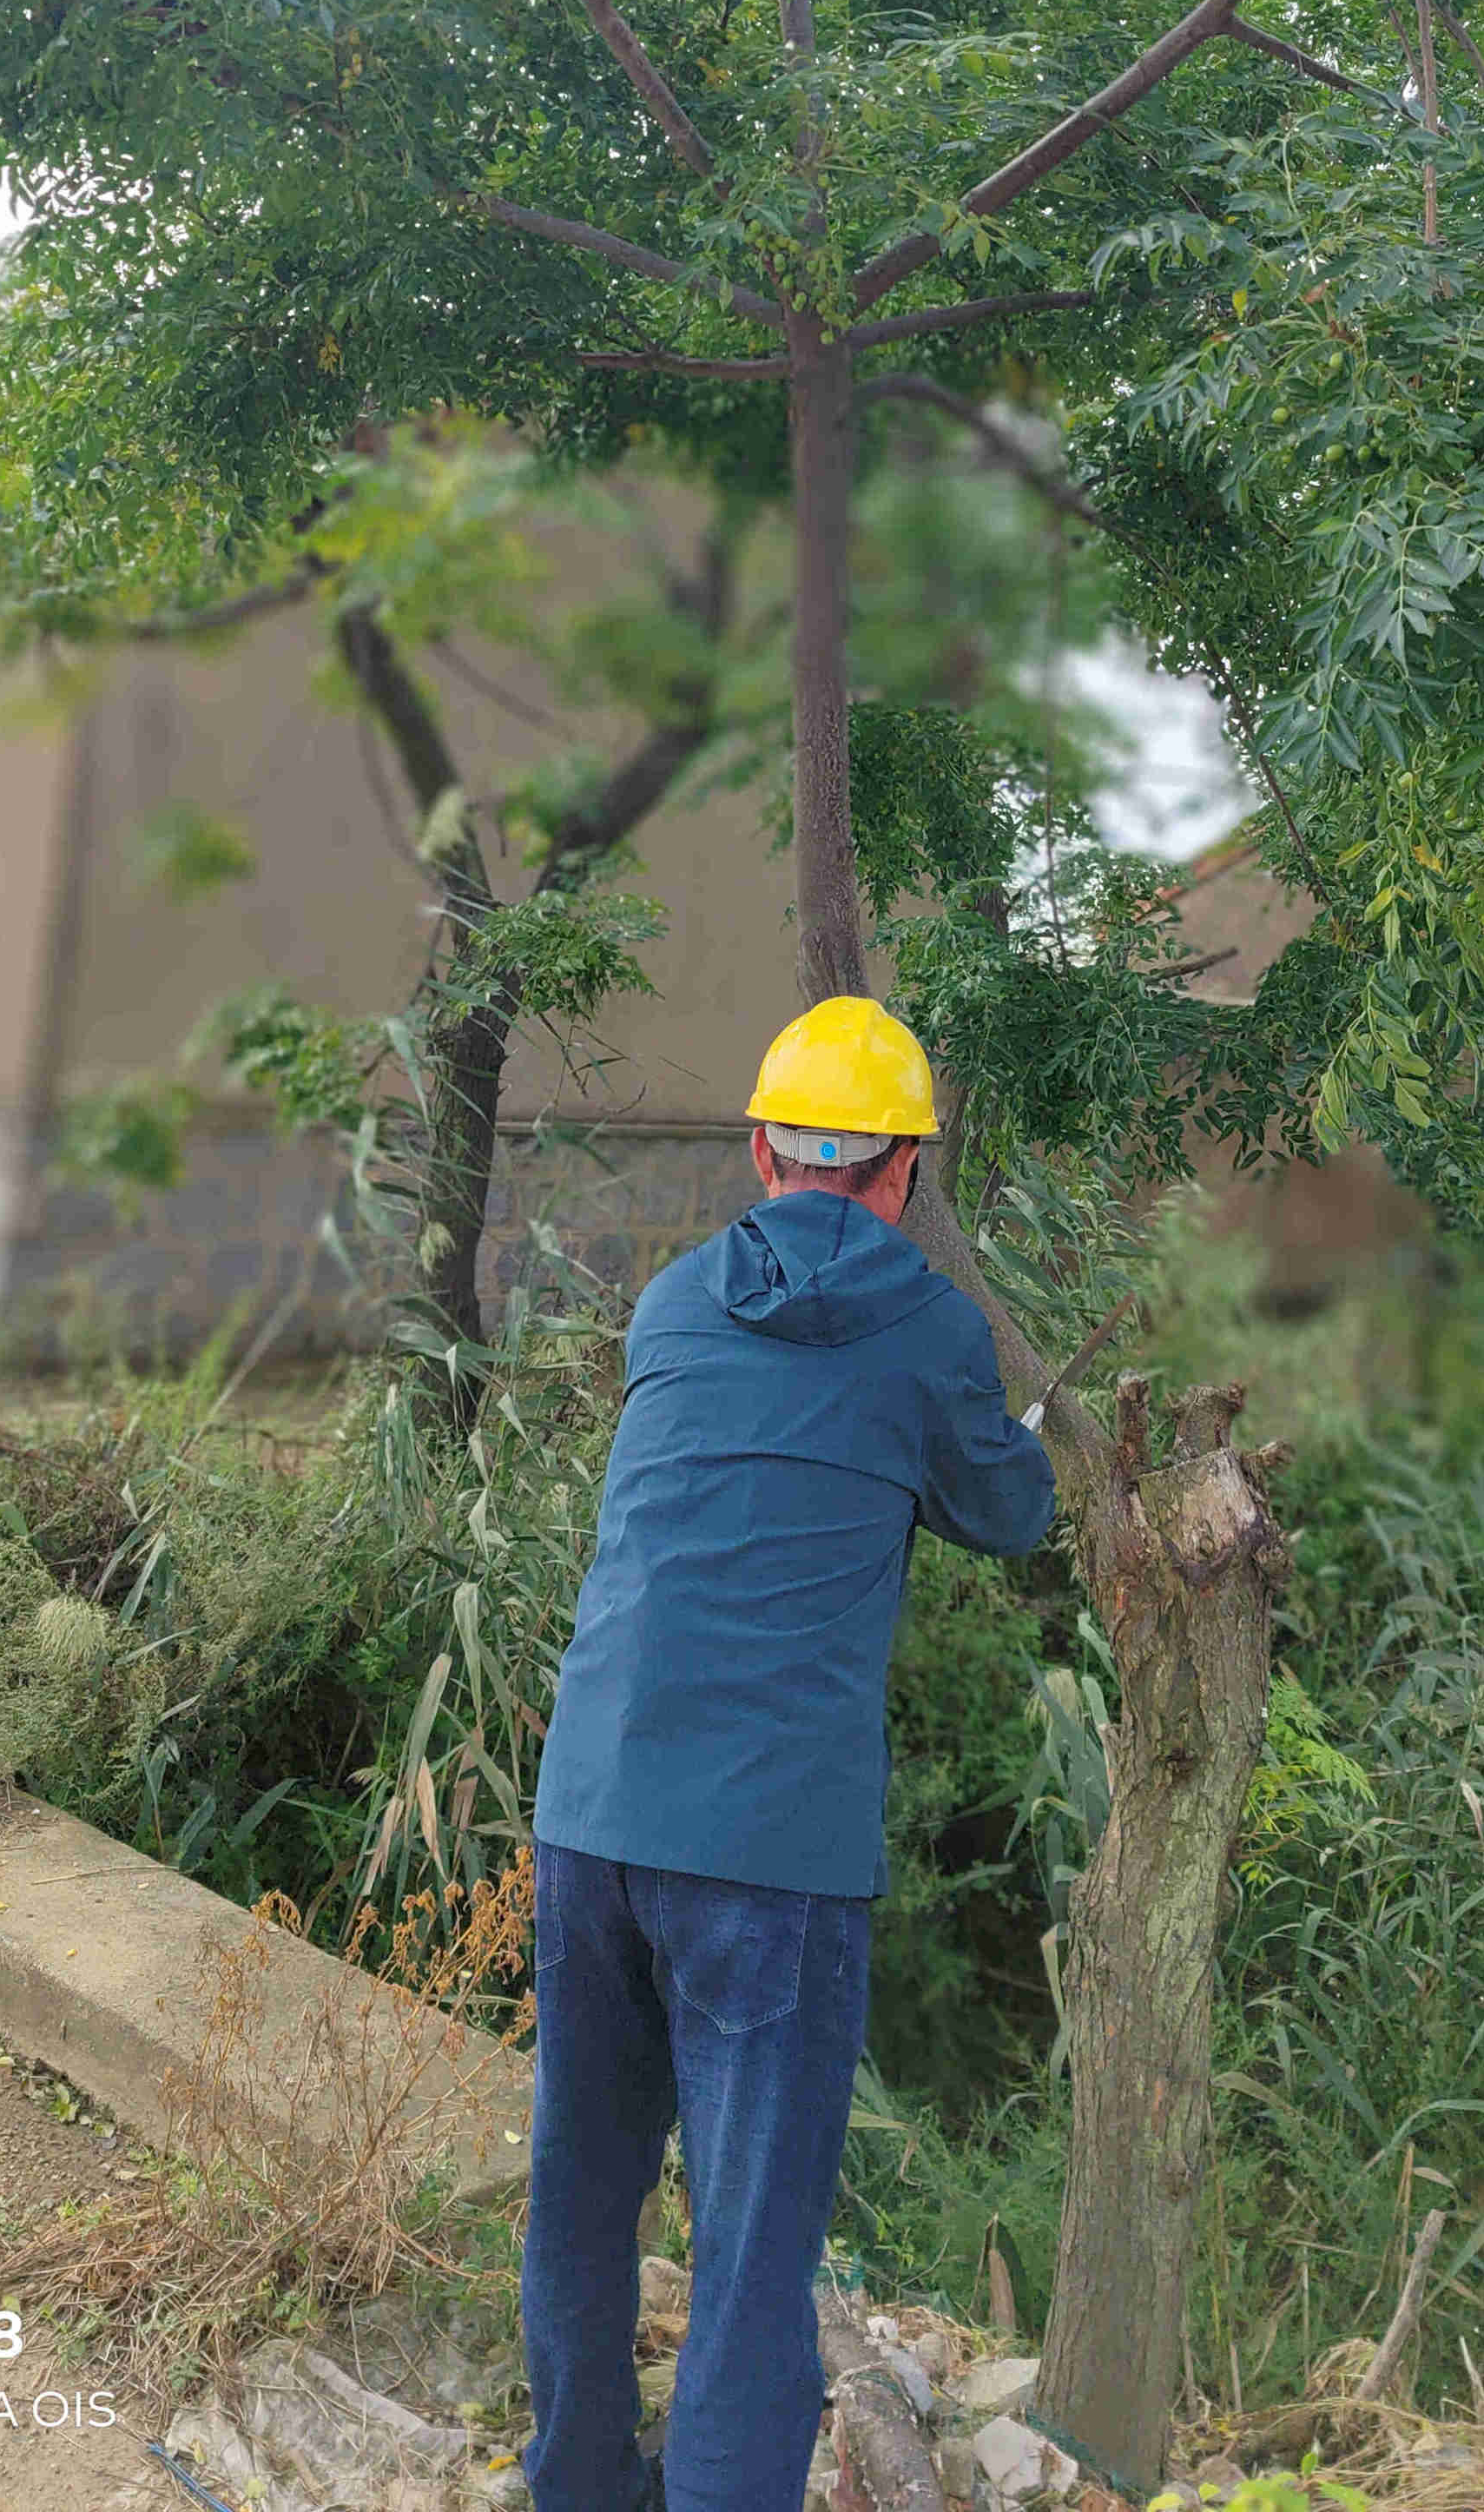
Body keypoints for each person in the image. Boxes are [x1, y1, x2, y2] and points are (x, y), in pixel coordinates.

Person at [521, 996, 1056, 2512]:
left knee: (582, 2196)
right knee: (754, 2248)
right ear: (903, 1174)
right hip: (770, 1850)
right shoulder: (934, 1333)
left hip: (595, 1809)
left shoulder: (671, 1303)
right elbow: (1010, 1512)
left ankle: (577, 2488)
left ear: (762, 1151)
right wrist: (1009, 1424)